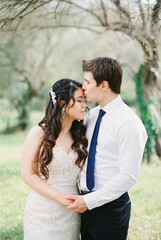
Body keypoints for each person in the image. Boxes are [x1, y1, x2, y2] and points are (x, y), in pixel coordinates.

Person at [66, 57, 148, 240]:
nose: (83, 86)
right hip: (83, 203)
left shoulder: (129, 123)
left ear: (104, 85)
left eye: (87, 82)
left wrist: (90, 201)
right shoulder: (91, 116)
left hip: (110, 208)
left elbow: (129, 175)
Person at [21, 78, 88, 240]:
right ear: (63, 103)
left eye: (84, 101)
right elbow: (27, 174)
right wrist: (58, 196)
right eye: (79, 100)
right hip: (42, 212)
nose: (84, 105)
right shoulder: (38, 133)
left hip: (71, 212)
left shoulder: (81, 135)